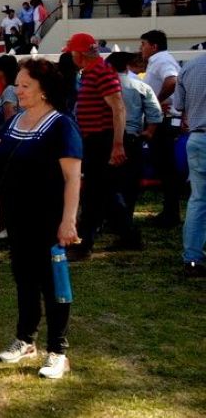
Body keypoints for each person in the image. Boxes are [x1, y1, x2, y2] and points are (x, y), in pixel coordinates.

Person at [0, 59, 82, 379]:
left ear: (44, 91)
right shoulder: (15, 121)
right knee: (24, 278)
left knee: (53, 282)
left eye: (25, 85)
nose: (17, 90)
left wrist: (68, 220)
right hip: (18, 218)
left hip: (50, 218)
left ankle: (58, 351)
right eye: (17, 84)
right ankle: (25, 339)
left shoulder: (61, 125)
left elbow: (73, 177)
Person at [65, 33, 125, 259]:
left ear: (81, 54)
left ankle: (84, 243)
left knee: (93, 192)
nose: (71, 56)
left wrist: (117, 144)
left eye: (72, 52)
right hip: (96, 139)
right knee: (105, 191)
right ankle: (128, 235)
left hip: (102, 139)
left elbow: (118, 108)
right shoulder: (93, 72)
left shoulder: (101, 72)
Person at [105, 52, 161, 249]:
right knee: (130, 184)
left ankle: (118, 223)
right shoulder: (141, 85)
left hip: (108, 138)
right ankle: (125, 219)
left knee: (110, 184)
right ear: (127, 66)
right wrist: (148, 132)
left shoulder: (103, 87)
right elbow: (155, 113)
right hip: (133, 138)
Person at [139, 30, 183, 228]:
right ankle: (169, 211)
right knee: (164, 168)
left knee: (166, 168)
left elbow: (172, 81)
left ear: (154, 46)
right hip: (162, 120)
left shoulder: (161, 60)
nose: (141, 49)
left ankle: (171, 214)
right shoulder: (158, 61)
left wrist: (155, 102)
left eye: (143, 44)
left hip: (163, 122)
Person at [174, 53, 206, 277]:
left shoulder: (190, 66)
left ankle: (192, 258)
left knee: (198, 200)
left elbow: (178, 105)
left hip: (197, 138)